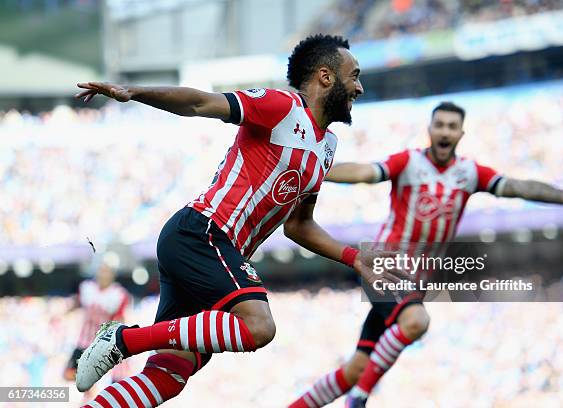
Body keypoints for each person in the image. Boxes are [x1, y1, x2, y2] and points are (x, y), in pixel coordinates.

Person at [73, 34, 390, 408]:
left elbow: (299, 225)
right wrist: (134, 92)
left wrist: (354, 257)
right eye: (353, 75)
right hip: (203, 232)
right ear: (325, 76)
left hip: (215, 251)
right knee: (258, 326)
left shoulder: (327, 147)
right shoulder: (281, 105)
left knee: (170, 374)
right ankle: (123, 340)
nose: (359, 86)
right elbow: (199, 102)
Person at [289, 101, 563, 408]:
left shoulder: (470, 173)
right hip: (385, 264)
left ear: (461, 134)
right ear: (429, 129)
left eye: (452, 126)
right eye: (439, 125)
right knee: (416, 321)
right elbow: (365, 172)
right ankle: (358, 399)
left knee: (355, 368)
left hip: (416, 277)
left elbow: (518, 187)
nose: (445, 131)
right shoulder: (409, 162)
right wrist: (318, 168)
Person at [63, 257, 130, 384]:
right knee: (69, 376)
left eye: (107, 271)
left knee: (114, 380)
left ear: (112, 274)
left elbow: (120, 320)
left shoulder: (118, 294)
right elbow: (76, 304)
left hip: (104, 344)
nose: (103, 274)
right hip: (83, 343)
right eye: (101, 270)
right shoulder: (86, 288)